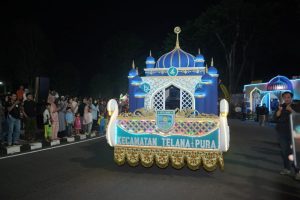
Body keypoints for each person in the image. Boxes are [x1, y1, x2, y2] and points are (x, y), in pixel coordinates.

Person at [274, 91, 295, 176]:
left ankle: (298, 171)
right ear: (283, 98)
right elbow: (275, 118)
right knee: (284, 152)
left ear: (291, 98)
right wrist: (279, 112)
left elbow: (297, 116)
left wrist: (291, 110)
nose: (286, 99)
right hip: (282, 132)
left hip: (294, 132)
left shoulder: (296, 106)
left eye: (288, 97)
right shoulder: (280, 106)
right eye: (285, 97)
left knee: (295, 152)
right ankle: (287, 168)